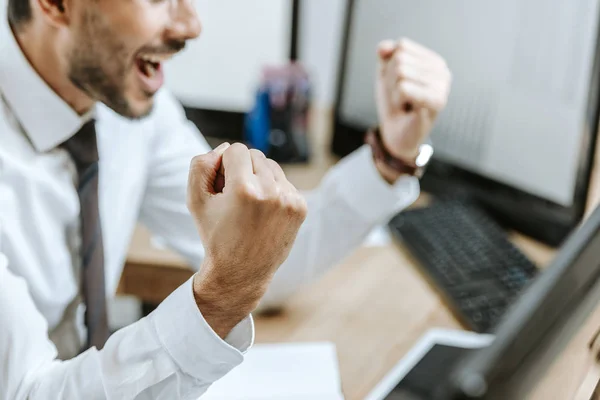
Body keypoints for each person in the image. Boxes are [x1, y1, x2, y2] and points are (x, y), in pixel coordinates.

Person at [0, 0, 452, 396]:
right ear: (55, 3)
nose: (192, 24)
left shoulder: (125, 107)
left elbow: (266, 257)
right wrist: (219, 299)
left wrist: (391, 157)